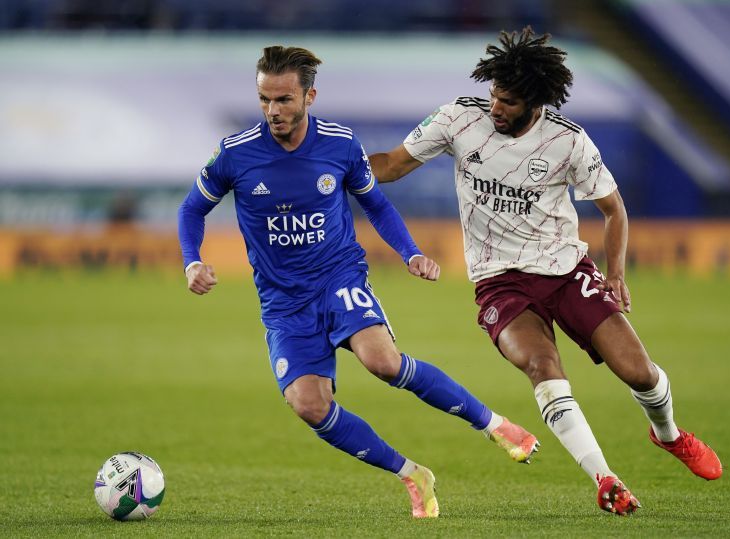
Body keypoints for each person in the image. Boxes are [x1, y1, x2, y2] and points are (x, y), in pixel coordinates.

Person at [368, 27, 722, 516]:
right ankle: (606, 479)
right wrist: (332, 166)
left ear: (535, 102)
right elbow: (391, 165)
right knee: (542, 368)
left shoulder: (567, 141)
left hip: (564, 270)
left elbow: (614, 209)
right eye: (494, 95)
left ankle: (669, 435)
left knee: (640, 374)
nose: (495, 107)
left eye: (508, 101)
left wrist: (615, 273)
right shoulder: (458, 119)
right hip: (499, 282)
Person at [177, 45, 540, 519]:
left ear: (310, 96)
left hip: (337, 277)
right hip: (283, 302)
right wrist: (191, 262)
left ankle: (495, 425)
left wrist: (409, 252)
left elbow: (377, 205)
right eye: (265, 99)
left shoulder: (340, 144)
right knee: (310, 406)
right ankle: (412, 473)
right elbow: (191, 209)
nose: (273, 111)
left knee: (383, 362)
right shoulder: (235, 153)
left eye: (284, 100)